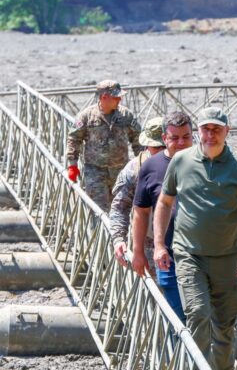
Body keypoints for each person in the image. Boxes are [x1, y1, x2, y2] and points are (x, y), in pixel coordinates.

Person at [153, 107, 237, 370]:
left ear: (227, 131)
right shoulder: (181, 161)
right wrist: (159, 245)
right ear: (198, 132)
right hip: (189, 255)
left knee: (225, 326)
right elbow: (164, 203)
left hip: (229, 258)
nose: (210, 134)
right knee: (198, 314)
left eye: (217, 129)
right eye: (205, 129)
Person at [130, 111, 194, 322]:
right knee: (177, 318)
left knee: (200, 315)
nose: (181, 143)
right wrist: (138, 251)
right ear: (164, 138)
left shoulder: (207, 162)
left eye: (186, 137)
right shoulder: (151, 166)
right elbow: (140, 212)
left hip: (204, 256)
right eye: (174, 138)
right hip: (168, 257)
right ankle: (177, 352)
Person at [66, 80, 142, 212]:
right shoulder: (87, 116)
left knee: (121, 209)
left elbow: (137, 139)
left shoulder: (125, 115)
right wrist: (72, 165)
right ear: (104, 97)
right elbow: (74, 138)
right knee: (98, 211)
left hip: (120, 171)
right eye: (116, 96)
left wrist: (143, 163)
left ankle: (116, 233)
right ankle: (98, 232)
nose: (120, 99)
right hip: (95, 171)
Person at [109, 117, 165, 268]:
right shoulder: (135, 169)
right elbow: (120, 207)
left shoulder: (187, 164)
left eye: (164, 147)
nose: (161, 152)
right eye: (156, 148)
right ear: (147, 146)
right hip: (148, 245)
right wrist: (118, 239)